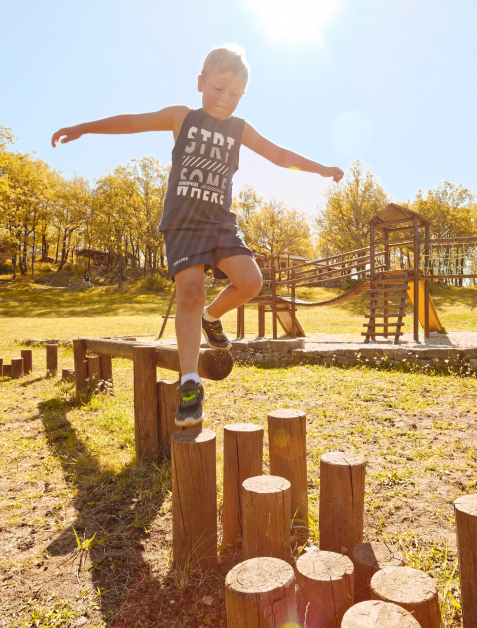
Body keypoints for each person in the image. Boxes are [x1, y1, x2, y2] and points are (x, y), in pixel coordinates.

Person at [52, 45, 343, 426]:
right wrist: (85, 127)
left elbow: (277, 153)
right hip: (184, 223)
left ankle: (211, 317)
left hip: (220, 222)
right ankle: (189, 383)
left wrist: (321, 169)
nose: (225, 100)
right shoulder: (182, 118)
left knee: (251, 282)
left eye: (235, 94)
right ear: (201, 82)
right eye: (218, 88)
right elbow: (132, 121)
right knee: (190, 291)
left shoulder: (239, 130)